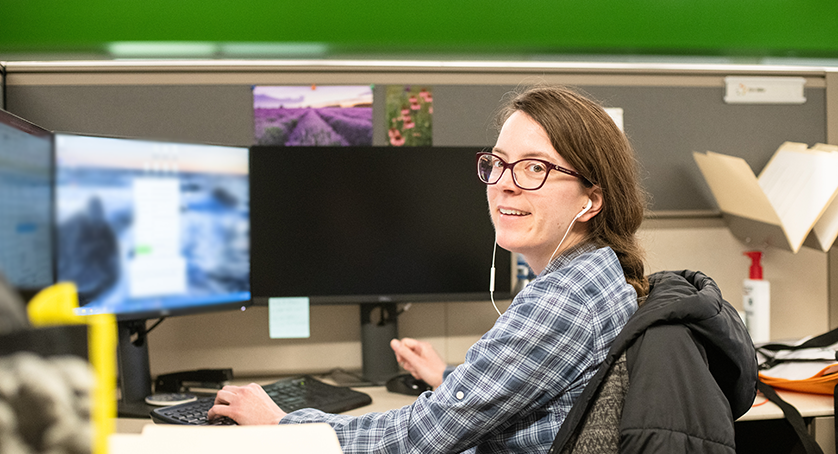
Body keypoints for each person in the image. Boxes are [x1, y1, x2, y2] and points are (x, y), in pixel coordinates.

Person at [208, 85, 649, 453]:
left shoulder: (562, 300)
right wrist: (451, 380)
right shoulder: (595, 272)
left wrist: (284, 424)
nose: (505, 183)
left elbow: (421, 436)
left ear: (591, 199)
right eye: (498, 163)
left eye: (535, 167)